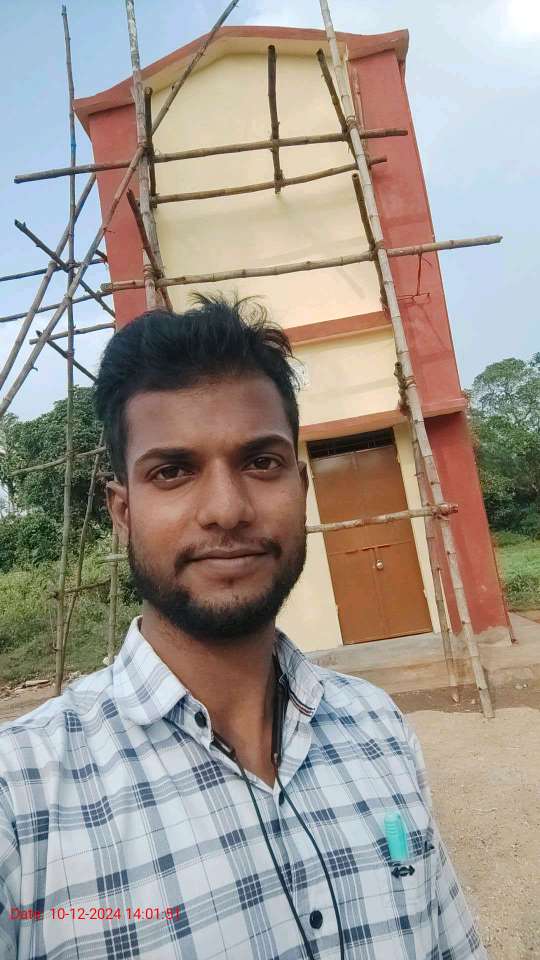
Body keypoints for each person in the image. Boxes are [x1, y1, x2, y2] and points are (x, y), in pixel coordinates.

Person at [0, 296, 488, 960]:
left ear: (301, 486)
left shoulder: (378, 729)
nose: (227, 510)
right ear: (122, 512)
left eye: (261, 462)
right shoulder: (23, 799)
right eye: (173, 471)